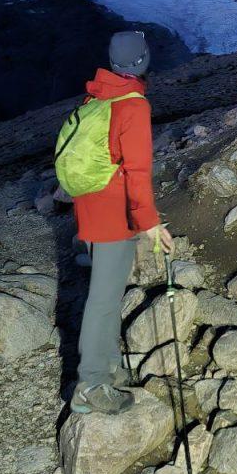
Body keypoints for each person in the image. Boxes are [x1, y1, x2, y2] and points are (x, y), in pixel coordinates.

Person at [69, 30, 174, 415]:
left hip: (92, 208)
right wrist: (150, 223)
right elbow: (138, 171)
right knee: (102, 298)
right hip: (114, 215)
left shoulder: (99, 94)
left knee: (108, 294)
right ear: (144, 60)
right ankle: (91, 384)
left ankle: (110, 368)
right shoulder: (133, 106)